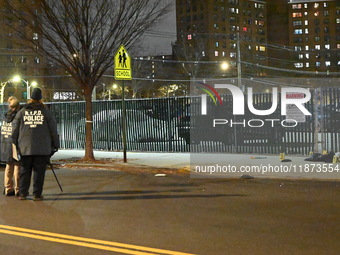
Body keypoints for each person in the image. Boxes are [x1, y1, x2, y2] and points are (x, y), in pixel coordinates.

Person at [12, 88, 59, 201]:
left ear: (31, 98)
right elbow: (53, 130)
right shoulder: (46, 112)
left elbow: (14, 130)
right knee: (39, 172)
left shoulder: (22, 112)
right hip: (42, 148)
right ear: (40, 98)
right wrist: (55, 145)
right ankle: (37, 194)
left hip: (25, 147)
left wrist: (15, 143)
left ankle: (23, 193)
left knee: (25, 171)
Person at [1, 96, 21, 196]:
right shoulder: (17, 117)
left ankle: (8, 188)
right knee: (17, 165)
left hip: (5, 144)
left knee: (8, 166)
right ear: (17, 107)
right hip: (14, 144)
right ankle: (18, 189)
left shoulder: (4, 117)